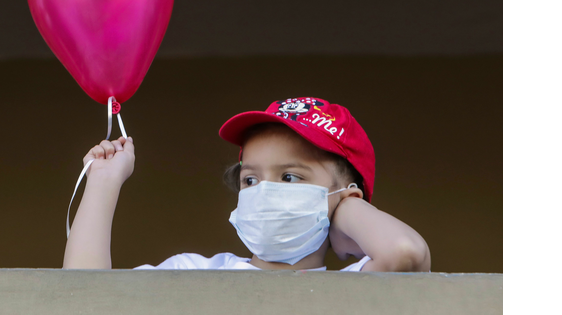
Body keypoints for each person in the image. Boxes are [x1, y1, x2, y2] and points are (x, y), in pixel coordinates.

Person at [63, 97, 431, 272]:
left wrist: (346, 204)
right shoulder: (194, 273)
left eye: (290, 177)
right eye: (250, 179)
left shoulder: (358, 283)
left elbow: (405, 253)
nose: (264, 192)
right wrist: (103, 182)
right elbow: (84, 300)